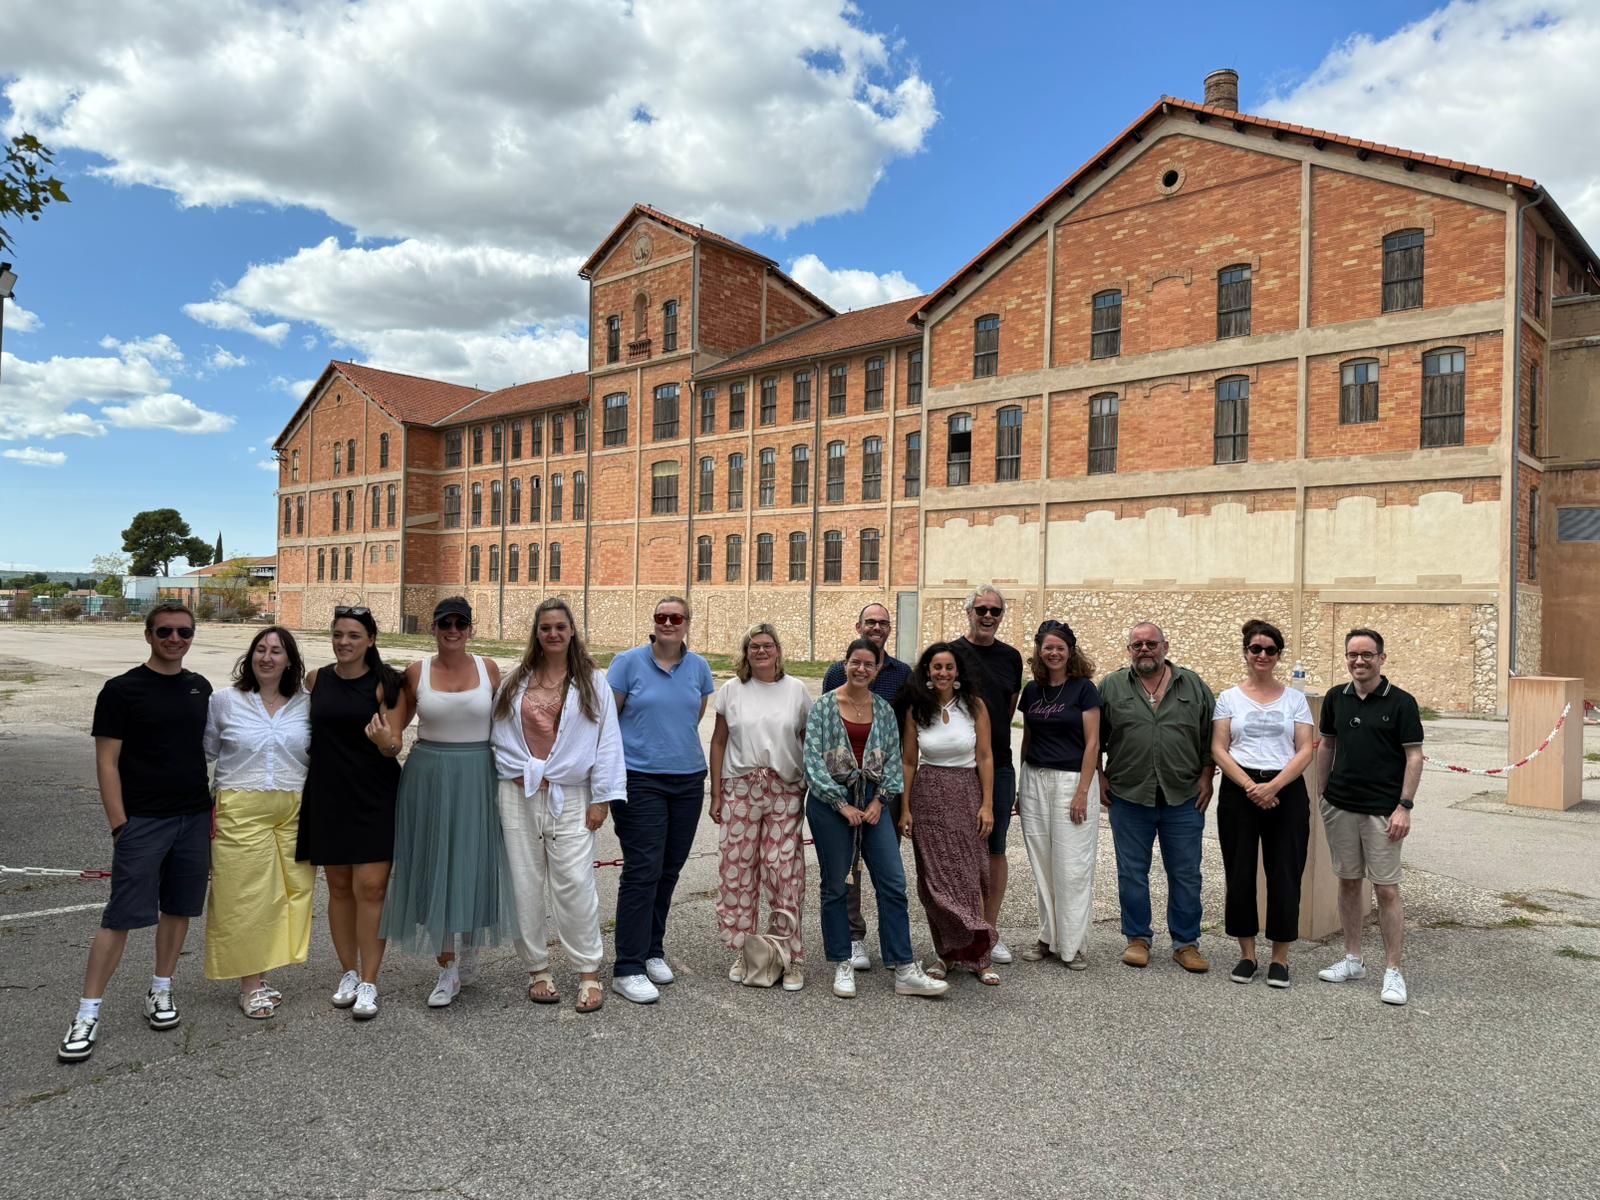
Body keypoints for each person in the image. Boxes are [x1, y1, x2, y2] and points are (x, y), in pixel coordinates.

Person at [59, 602, 213, 1062]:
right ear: (148, 635)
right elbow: (106, 763)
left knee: (179, 909)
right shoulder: (121, 690)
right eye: (165, 631)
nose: (175, 639)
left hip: (193, 817)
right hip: (143, 821)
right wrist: (119, 824)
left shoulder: (199, 687)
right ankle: (87, 1013)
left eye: (183, 632)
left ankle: (161, 989)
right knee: (121, 916)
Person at [492, 597, 624, 1014]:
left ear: (571, 632)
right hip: (519, 794)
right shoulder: (515, 681)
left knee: (575, 883)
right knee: (524, 883)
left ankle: (588, 970)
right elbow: (498, 736)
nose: (553, 633)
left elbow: (607, 743)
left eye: (560, 627)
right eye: (545, 627)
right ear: (536, 633)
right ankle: (537, 969)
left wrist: (602, 799)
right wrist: (514, 770)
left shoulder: (592, 682)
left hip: (572, 793)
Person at [381, 597, 510, 1009]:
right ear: (433, 628)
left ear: (471, 629)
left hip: (477, 772)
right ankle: (446, 965)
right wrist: (383, 741)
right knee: (434, 862)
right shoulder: (416, 672)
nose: (452, 630)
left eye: (460, 623)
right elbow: (394, 730)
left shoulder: (489, 669)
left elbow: (511, 722)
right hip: (429, 774)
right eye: (445, 623)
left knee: (473, 859)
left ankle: (469, 946)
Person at [805, 637, 948, 1000]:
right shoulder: (823, 706)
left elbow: (894, 761)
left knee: (892, 882)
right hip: (831, 802)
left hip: (873, 803)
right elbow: (813, 762)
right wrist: (841, 804)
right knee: (836, 884)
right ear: (845, 664)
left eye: (869, 664)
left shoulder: (883, 709)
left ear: (877, 669)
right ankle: (842, 962)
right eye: (855, 662)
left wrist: (881, 801)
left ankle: (903, 967)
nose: (861, 669)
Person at [296, 606, 404, 1020]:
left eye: (354, 635)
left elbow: (394, 745)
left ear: (371, 640)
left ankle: (370, 981)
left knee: (371, 888)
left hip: (374, 795)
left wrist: (383, 741)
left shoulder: (385, 684)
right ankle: (348, 972)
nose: (344, 642)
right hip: (329, 794)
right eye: (339, 634)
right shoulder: (316, 679)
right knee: (339, 888)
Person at [607, 596, 716, 1004]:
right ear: (653, 622)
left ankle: (652, 950)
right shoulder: (627, 663)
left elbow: (693, 717)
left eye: (676, 617)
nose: (668, 623)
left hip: (687, 780)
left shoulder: (699, 668)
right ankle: (627, 967)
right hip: (640, 779)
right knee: (643, 869)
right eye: (661, 617)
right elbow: (608, 722)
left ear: (687, 623)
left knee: (669, 868)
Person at [202, 625, 314, 1019]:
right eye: (261, 649)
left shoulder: (306, 704)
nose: (267, 657)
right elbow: (203, 753)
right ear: (250, 656)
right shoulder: (224, 702)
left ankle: (262, 973)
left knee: (290, 895)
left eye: (276, 651)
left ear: (290, 661)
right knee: (243, 897)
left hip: (294, 809)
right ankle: (250, 985)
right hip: (240, 808)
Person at [1098, 622, 1215, 974]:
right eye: (1137, 645)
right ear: (1129, 650)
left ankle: (1186, 944)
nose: (1144, 650)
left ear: (1165, 646)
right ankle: (1137, 938)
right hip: (1128, 794)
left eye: (1151, 643)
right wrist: (1099, 776)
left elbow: (1211, 735)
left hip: (1183, 796)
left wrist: (1207, 777)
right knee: (1132, 873)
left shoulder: (1192, 685)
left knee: (1187, 873)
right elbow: (1093, 737)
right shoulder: (1111, 686)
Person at [1314, 628, 1423, 1006]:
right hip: (1341, 806)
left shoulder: (1402, 702)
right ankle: (1353, 960)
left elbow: (1414, 756)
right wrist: (1322, 792)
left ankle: (1393, 970)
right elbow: (1327, 745)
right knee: (1348, 883)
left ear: (1381, 658)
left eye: (1367, 655)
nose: (1359, 661)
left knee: (1386, 890)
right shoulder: (1335, 698)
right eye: (1352, 655)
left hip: (1384, 812)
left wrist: (1404, 806)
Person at [1211, 620, 1314, 989]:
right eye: (1256, 648)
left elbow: (1305, 749)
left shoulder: (1295, 700)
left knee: (1285, 873)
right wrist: (1250, 786)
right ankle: (1247, 954)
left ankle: (1280, 958)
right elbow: (1219, 748)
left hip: (1285, 789)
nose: (1262, 655)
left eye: (1270, 650)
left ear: (1279, 656)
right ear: (1245, 653)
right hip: (1240, 789)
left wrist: (1273, 786)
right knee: (1239, 871)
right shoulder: (1229, 698)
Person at [709, 623, 813, 991]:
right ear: (746, 653)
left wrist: (810, 785)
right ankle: (747, 951)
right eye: (754, 646)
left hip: (784, 787)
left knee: (783, 870)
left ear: (778, 650)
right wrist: (716, 794)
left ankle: (790, 955)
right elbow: (719, 742)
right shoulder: (731, 690)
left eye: (768, 645)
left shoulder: (796, 690)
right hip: (740, 786)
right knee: (737, 870)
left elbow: (806, 740)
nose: (761, 651)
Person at [821, 602, 911, 971]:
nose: (876, 627)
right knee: (846, 870)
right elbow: (825, 737)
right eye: (870, 622)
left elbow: (903, 735)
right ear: (858, 626)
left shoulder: (903, 674)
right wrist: (838, 796)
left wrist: (888, 795)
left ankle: (898, 955)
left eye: (883, 622)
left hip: (882, 789)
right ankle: (853, 938)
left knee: (887, 870)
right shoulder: (833, 677)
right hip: (842, 789)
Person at [900, 642, 997, 984]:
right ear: (927, 672)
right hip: (928, 795)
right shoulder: (917, 709)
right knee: (934, 880)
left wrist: (987, 803)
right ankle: (945, 955)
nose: (942, 673)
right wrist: (905, 808)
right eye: (936, 667)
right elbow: (909, 761)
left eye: (948, 667)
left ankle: (979, 957)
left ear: (957, 673)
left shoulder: (975, 706)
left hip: (966, 792)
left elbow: (985, 756)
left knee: (969, 875)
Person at [1016, 620, 1101, 970]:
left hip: (1072, 781)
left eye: (1060, 648)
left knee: (1071, 867)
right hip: (1034, 778)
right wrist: (1021, 786)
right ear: (1039, 651)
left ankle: (1073, 944)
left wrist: (1082, 792)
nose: (1053, 653)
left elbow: (1093, 743)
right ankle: (1047, 937)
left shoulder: (1084, 689)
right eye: (1048, 647)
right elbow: (1027, 738)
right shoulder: (1032, 691)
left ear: (1070, 651)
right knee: (1042, 864)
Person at [952, 585, 1024, 964]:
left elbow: (1006, 710)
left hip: (1000, 765)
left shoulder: (1011, 658)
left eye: (995, 611)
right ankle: (962, 929)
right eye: (981, 609)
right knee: (961, 850)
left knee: (995, 848)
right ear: (969, 612)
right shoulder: (951, 654)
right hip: (958, 768)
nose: (988, 616)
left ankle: (989, 931)